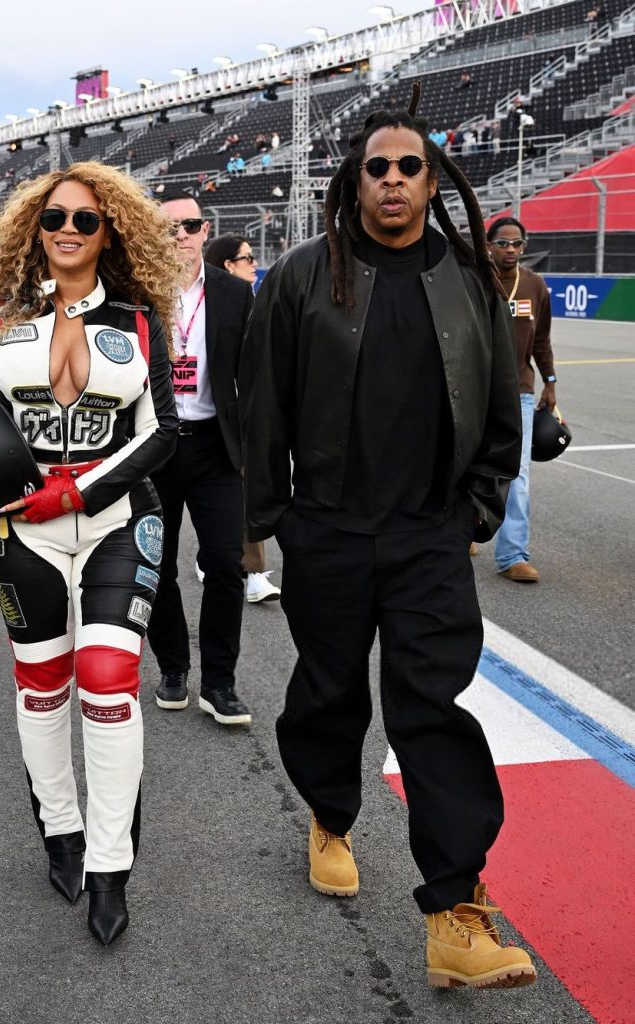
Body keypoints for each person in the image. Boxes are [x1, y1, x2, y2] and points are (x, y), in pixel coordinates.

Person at [239, 105, 537, 989]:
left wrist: (474, 514)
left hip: (428, 537)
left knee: (433, 712)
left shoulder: (472, 282)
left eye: (411, 167)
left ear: (434, 181)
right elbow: (263, 410)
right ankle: (330, 816)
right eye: (380, 168)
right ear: (355, 181)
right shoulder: (299, 277)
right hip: (327, 530)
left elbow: (498, 410)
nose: (396, 180)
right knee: (327, 695)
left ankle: (455, 911)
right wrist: (271, 520)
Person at [0, 161, 182, 947]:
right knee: (44, 682)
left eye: (86, 219)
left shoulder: (142, 315)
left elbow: (163, 432)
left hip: (118, 519)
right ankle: (61, 832)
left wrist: (79, 493)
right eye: (55, 219)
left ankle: (111, 869)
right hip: (22, 529)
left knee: (109, 680)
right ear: (34, 230)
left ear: (110, 229)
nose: (70, 231)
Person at [147, 191, 253, 724]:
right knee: (156, 567)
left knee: (225, 566)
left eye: (189, 226)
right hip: (156, 447)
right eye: (169, 229)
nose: (180, 236)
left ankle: (220, 681)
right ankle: (171, 667)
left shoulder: (237, 294)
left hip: (216, 447)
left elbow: (255, 373)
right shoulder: (137, 292)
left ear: (205, 230)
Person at [203, 234, 281, 605]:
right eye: (246, 258)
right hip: (207, 421)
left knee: (248, 494)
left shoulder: (251, 299)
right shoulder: (208, 304)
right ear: (227, 266)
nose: (254, 264)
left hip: (241, 419)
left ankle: (251, 572)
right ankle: (221, 560)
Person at [486, 216, 556, 583]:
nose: (511, 250)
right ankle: (467, 528)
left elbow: (542, 341)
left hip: (520, 393)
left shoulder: (535, 285)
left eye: (517, 244)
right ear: (488, 245)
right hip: (475, 390)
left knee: (518, 473)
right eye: (503, 243)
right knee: (461, 463)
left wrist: (551, 383)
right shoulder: (475, 279)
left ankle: (513, 554)